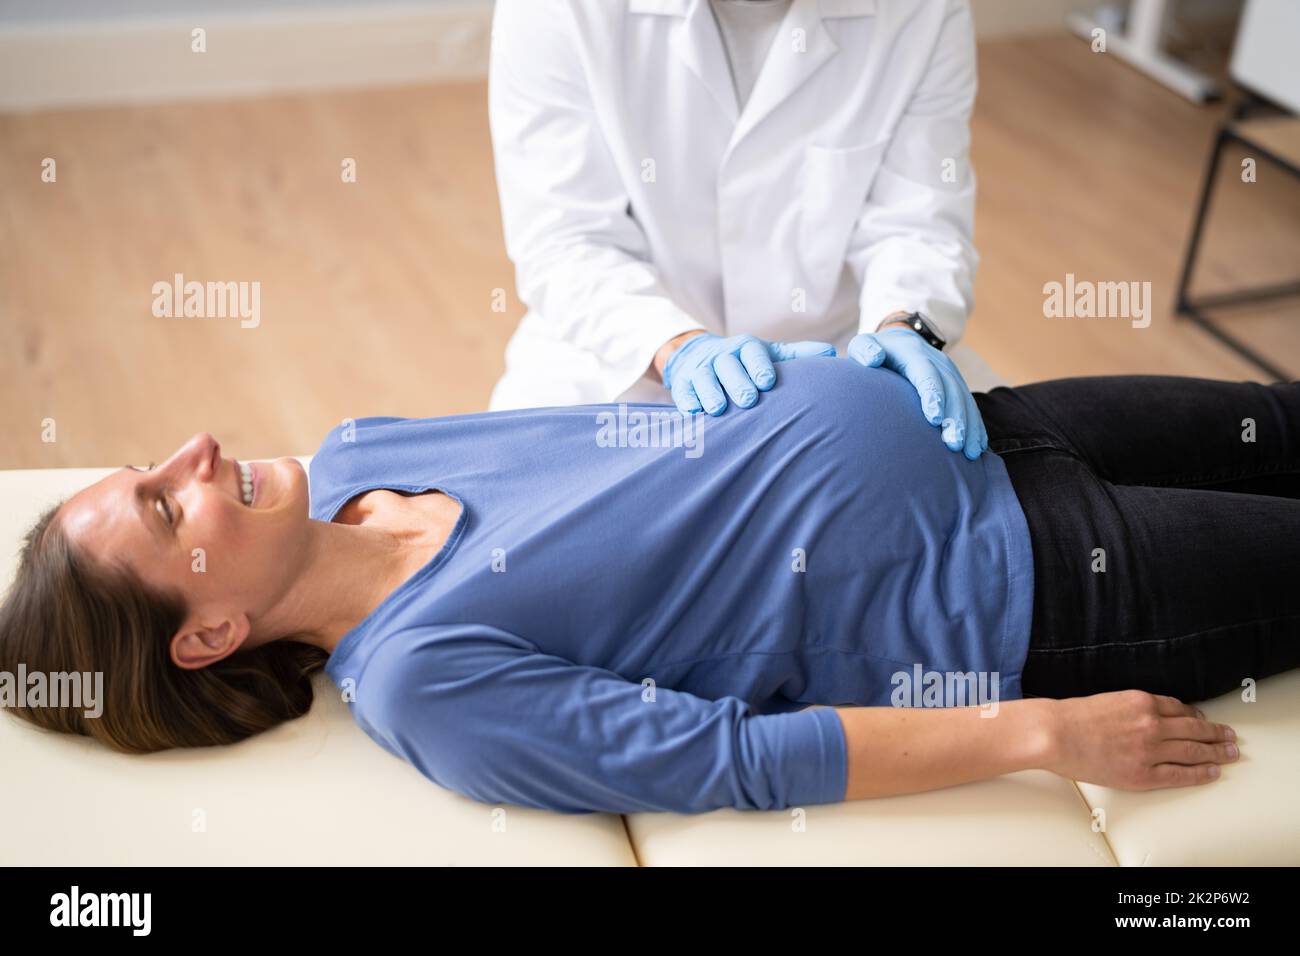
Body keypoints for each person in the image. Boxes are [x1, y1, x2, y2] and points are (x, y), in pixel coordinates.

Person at [5, 360, 1295, 814]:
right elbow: (735, 759)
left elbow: (647, 449)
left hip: (981, 427)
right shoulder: (424, 682)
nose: (196, 455)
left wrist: (829, 363)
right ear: (211, 633)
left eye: (152, 465)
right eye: (167, 505)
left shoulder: (358, 450)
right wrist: (1043, 731)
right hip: (1038, 586)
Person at [487, 0, 989, 460]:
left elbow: (918, 221)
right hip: (619, 359)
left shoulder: (923, 10)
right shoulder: (559, 9)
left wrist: (902, 328)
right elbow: (567, 237)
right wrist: (678, 346)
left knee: (977, 508)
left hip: (842, 359)